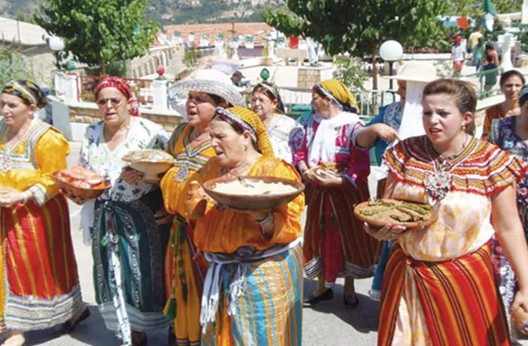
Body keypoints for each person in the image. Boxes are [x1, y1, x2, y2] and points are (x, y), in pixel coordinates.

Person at [369, 79, 528, 345]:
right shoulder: (405, 154)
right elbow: (386, 209)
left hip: (464, 279)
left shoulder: (491, 162)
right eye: (427, 112)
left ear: (466, 118)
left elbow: (509, 227)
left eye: (443, 113)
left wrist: (525, 284)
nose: (433, 120)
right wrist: (378, 230)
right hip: (407, 279)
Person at [174, 107, 304, 345]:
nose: (213, 144)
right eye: (211, 137)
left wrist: (261, 216)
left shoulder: (275, 172)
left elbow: (291, 224)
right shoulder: (211, 169)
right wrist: (194, 197)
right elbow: (192, 210)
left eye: (220, 137)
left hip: (263, 274)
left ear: (246, 137)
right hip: (220, 270)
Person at [72, 76, 170, 346]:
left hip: (143, 215)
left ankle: (155, 327)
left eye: (116, 100)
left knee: (145, 274)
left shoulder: (151, 132)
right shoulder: (91, 133)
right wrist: (80, 191)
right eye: (102, 101)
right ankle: (129, 331)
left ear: (129, 102)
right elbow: (84, 172)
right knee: (112, 271)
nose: (109, 106)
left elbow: (169, 171)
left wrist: (148, 178)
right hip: (105, 213)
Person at [0, 80, 88, 346]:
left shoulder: (47, 137)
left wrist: (22, 194)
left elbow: (55, 179)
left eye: (12, 105)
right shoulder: (2, 130)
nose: (5, 110)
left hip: (36, 215)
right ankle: (73, 311)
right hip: (6, 211)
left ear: (31, 108)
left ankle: (19, 329)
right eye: (2, 103)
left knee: (34, 267)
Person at [160, 69, 245, 346]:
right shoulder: (180, 132)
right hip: (178, 230)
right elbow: (167, 169)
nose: (191, 104)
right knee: (180, 290)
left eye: (200, 99)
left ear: (220, 106)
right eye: (189, 97)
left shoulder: (224, 141)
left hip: (207, 235)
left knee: (207, 294)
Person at [356, 61, 439, 300]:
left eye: (405, 87)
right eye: (400, 86)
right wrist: (375, 130)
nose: (400, 91)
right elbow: (360, 141)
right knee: (392, 244)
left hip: (427, 192)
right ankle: (393, 296)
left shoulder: (437, 119)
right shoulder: (389, 112)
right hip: (391, 187)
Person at [294, 79, 378, 307]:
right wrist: (306, 171)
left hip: (345, 190)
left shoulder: (353, 126)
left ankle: (349, 288)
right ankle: (322, 286)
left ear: (328, 99)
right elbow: (300, 152)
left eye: (315, 97)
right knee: (319, 233)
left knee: (346, 235)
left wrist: (340, 180)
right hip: (320, 188)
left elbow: (360, 165)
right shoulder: (310, 123)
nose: (311, 102)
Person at [488, 84, 528, 341]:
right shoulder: (500, 128)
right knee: (503, 269)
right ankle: (502, 327)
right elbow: (485, 163)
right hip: (505, 210)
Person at [250, 82, 298, 163]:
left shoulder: (289, 125)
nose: (256, 104)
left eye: (262, 100)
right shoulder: (249, 124)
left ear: (274, 103)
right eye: (254, 100)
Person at [482, 70, 525, 138]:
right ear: (501, 88)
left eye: (517, 85)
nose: (513, 89)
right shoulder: (492, 112)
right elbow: (486, 137)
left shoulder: (526, 111)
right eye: (509, 86)